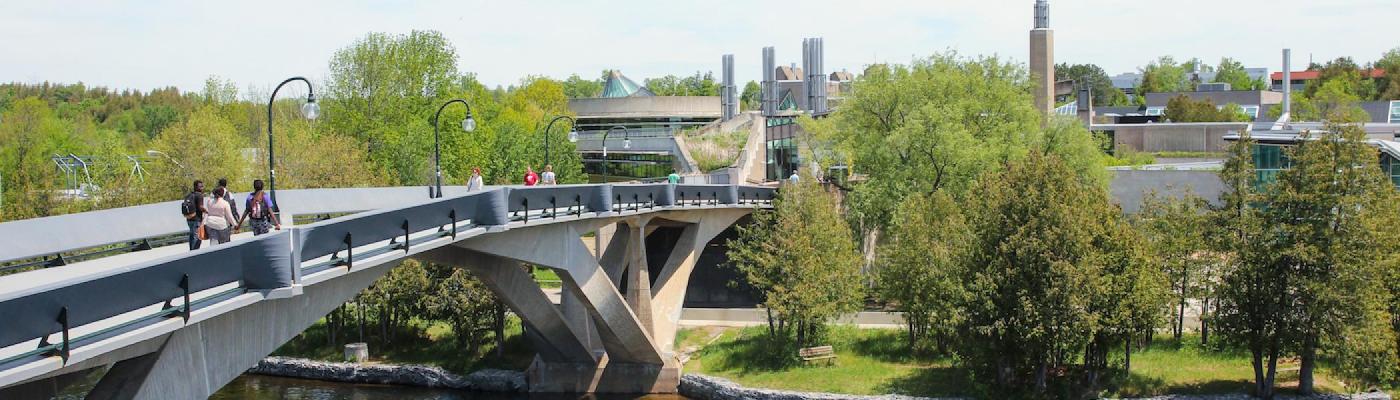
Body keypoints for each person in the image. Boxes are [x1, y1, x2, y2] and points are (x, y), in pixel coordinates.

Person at [182, 180, 207, 250]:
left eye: (202, 186)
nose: (202, 188)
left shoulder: (189, 195)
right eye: (200, 186)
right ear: (196, 187)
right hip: (197, 219)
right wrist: (207, 211)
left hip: (189, 218)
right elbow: (200, 207)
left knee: (192, 235)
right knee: (197, 237)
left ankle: (191, 250)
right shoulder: (199, 195)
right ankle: (194, 252)